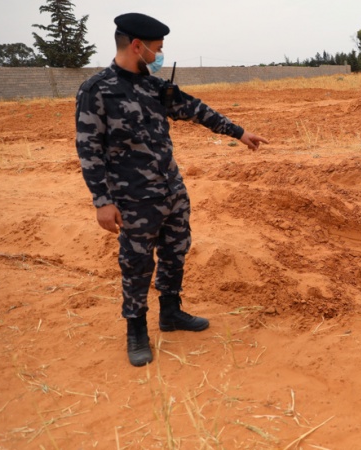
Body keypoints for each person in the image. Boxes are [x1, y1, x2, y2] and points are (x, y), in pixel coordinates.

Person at [75, 12, 269, 366]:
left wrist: (239, 132)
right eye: (158, 48)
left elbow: (196, 110)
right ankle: (136, 330)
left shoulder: (154, 87)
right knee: (136, 263)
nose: (160, 55)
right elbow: (89, 149)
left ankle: (171, 312)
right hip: (133, 199)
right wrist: (102, 201)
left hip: (171, 191)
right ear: (138, 46)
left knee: (176, 251)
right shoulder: (97, 91)